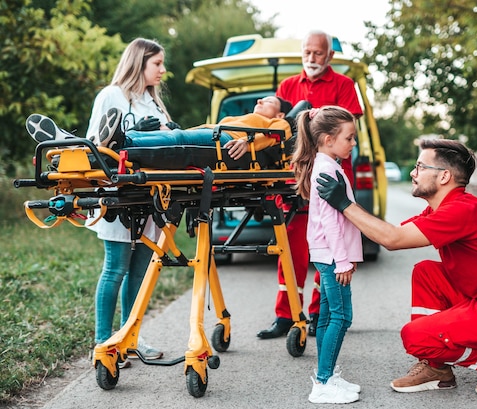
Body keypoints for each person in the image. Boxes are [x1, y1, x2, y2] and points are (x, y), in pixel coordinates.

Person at [315, 138, 477, 397]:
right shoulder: (443, 209)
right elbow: (391, 232)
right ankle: (436, 368)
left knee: (415, 337)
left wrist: (345, 204)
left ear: (444, 176)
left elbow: (392, 240)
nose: (413, 173)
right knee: (426, 272)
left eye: (420, 167)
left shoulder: (461, 211)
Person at [258, 29, 363, 339]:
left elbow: (348, 128)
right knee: (289, 250)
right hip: (291, 180)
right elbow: (274, 130)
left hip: (329, 179)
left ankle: (319, 313)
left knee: (328, 248)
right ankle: (286, 314)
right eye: (307, 52)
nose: (312, 58)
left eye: (318, 53)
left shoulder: (344, 85)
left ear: (329, 56)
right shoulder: (287, 85)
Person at [86, 38, 173, 367]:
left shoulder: (153, 101)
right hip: (117, 193)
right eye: (157, 64)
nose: (162, 70)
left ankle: (130, 336)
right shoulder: (112, 96)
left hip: (149, 194)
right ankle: (104, 343)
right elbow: (96, 144)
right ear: (139, 63)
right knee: (116, 268)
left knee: (140, 272)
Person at [291, 105, 362, 404]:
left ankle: (327, 374)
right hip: (333, 255)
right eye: (350, 137)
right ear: (327, 139)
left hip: (328, 253)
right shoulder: (326, 169)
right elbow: (332, 222)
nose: (354, 143)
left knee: (327, 316)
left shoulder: (328, 163)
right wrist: (343, 260)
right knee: (342, 317)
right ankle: (321, 383)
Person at [96, 96, 294, 161]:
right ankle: (106, 142)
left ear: (279, 114)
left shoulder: (277, 123)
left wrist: (248, 142)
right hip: (216, 133)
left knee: (179, 138)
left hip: (227, 141)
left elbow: (280, 134)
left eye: (268, 101)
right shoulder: (242, 118)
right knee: (177, 135)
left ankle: (123, 143)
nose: (260, 100)